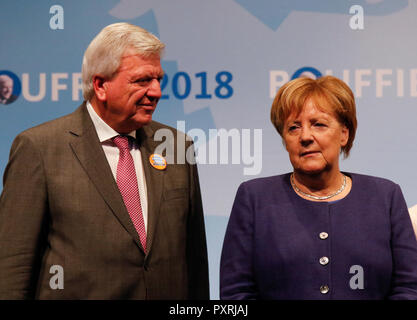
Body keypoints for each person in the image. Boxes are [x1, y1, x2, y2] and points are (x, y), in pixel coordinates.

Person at [0, 22, 209, 299]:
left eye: (158, 79)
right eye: (142, 80)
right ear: (100, 85)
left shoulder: (176, 146)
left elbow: (194, 262)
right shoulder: (39, 148)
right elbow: (14, 265)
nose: (156, 91)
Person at [220, 75, 417, 299]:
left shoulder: (385, 197)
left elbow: (408, 288)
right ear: (285, 139)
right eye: (293, 127)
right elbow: (237, 293)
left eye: (318, 124)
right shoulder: (254, 198)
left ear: (344, 133)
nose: (305, 136)